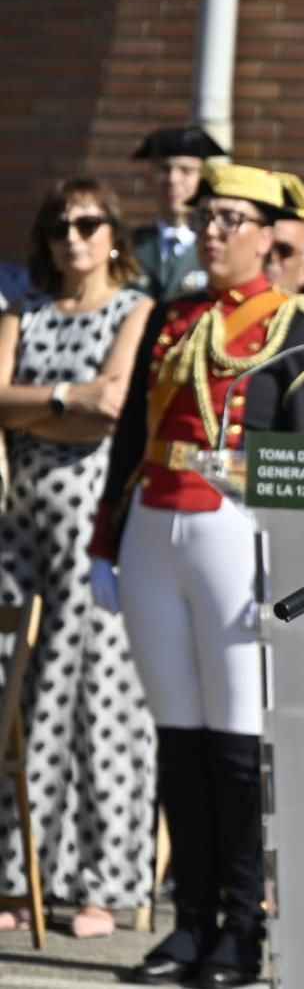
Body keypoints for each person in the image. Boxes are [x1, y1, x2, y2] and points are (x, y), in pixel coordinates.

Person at [90, 162, 304, 987]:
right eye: (207, 217)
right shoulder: (173, 315)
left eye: (231, 219)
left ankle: (242, 929)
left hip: (236, 532)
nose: (212, 231)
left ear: (271, 236)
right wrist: (105, 539)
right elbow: (134, 433)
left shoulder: (296, 327)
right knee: (179, 736)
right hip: (155, 526)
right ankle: (189, 922)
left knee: (236, 743)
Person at [0, 178, 156, 939]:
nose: (73, 236)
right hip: (21, 526)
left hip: (96, 528)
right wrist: (70, 398)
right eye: (59, 224)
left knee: (100, 701)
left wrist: (37, 401)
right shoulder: (22, 315)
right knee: (18, 695)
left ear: (114, 234)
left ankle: (105, 885)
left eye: (88, 223)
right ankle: (18, 879)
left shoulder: (135, 310)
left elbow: (114, 405)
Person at [129, 126, 227, 301]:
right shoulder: (128, 246)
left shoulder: (219, 248)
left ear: (202, 178)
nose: (173, 179)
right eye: (164, 169)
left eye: (186, 170)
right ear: (150, 177)